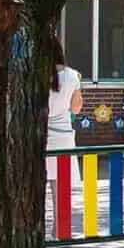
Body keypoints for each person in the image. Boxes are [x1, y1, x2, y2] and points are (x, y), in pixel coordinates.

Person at [46, 39, 84, 184]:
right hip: (63, 132)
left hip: (40, 131)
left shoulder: (36, 74)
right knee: (61, 179)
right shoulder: (73, 75)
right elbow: (76, 109)